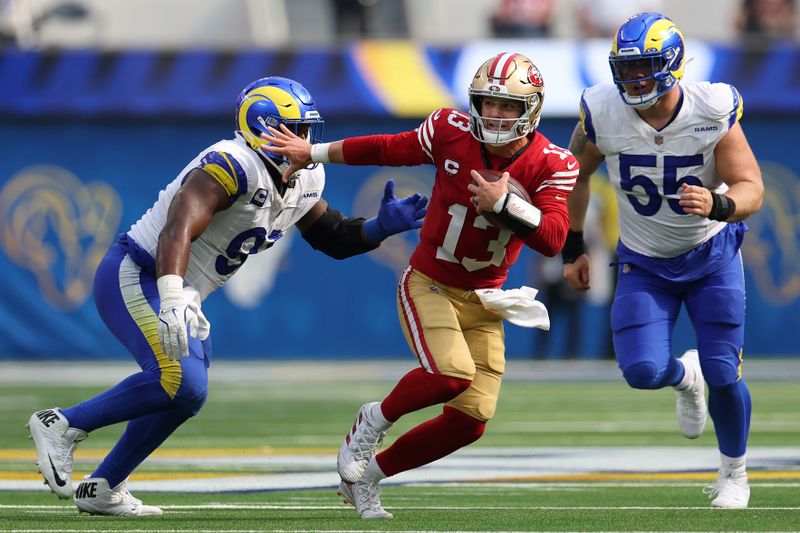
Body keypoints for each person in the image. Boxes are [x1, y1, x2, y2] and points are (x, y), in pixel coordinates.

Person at [26, 76, 428, 517]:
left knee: (188, 394)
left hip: (179, 287)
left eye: (308, 129)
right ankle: (62, 424)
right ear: (264, 127)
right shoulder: (233, 162)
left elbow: (332, 236)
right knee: (181, 380)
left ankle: (105, 485)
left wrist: (379, 227)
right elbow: (177, 227)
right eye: (295, 128)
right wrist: (173, 294)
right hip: (138, 272)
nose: (307, 141)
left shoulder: (305, 175)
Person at [262, 52, 576, 519]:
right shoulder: (450, 131)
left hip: (487, 299)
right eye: (488, 103)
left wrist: (506, 202)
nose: (494, 114)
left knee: (470, 423)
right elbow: (388, 147)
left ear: (531, 108)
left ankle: (366, 483)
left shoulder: (553, 162)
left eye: (508, 106)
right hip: (431, 282)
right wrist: (315, 153)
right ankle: (373, 420)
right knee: (449, 375)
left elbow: (553, 238)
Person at [561, 13, 763, 509]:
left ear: (672, 64)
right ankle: (682, 378)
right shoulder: (601, 110)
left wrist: (718, 204)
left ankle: (734, 473)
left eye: (644, 67)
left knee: (723, 370)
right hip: (645, 261)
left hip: (711, 253)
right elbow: (575, 176)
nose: (632, 80)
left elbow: (751, 187)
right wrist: (573, 246)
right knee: (642, 370)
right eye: (625, 69)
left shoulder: (711, 106)